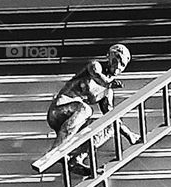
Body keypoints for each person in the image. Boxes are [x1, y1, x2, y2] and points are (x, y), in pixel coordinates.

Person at [46, 44, 138, 173]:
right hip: (59, 111)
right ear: (108, 57)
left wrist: (129, 135)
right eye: (115, 60)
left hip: (76, 122)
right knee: (86, 109)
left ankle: (76, 160)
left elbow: (111, 116)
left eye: (122, 64)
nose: (117, 66)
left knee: (109, 127)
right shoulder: (95, 66)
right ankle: (57, 150)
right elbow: (97, 75)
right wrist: (108, 83)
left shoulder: (107, 92)